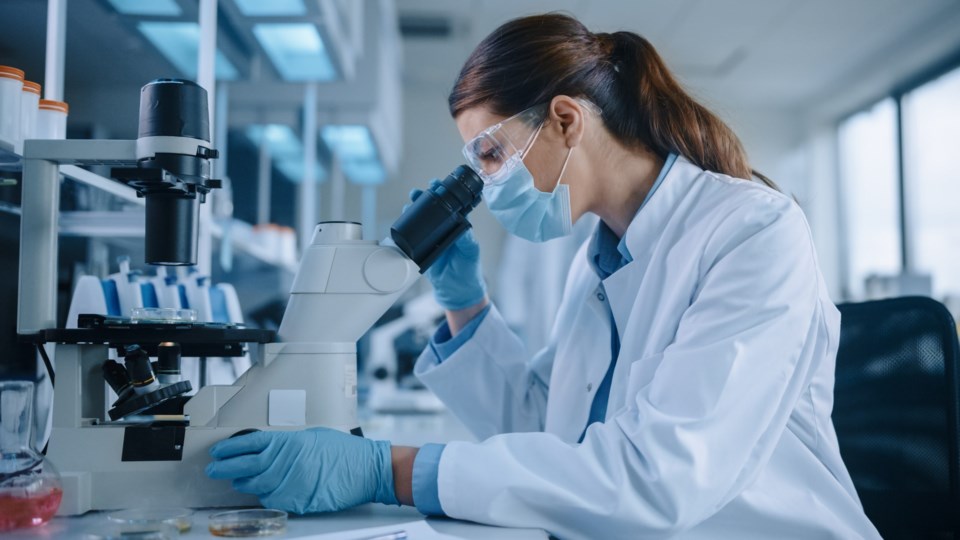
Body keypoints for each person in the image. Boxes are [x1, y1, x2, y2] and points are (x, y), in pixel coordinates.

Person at [206, 13, 881, 539]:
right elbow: (551, 434)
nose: (487, 182)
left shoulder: (753, 233)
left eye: (493, 154)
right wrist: (465, 306)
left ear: (565, 119)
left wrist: (391, 469)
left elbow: (658, 480)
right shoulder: (601, 259)